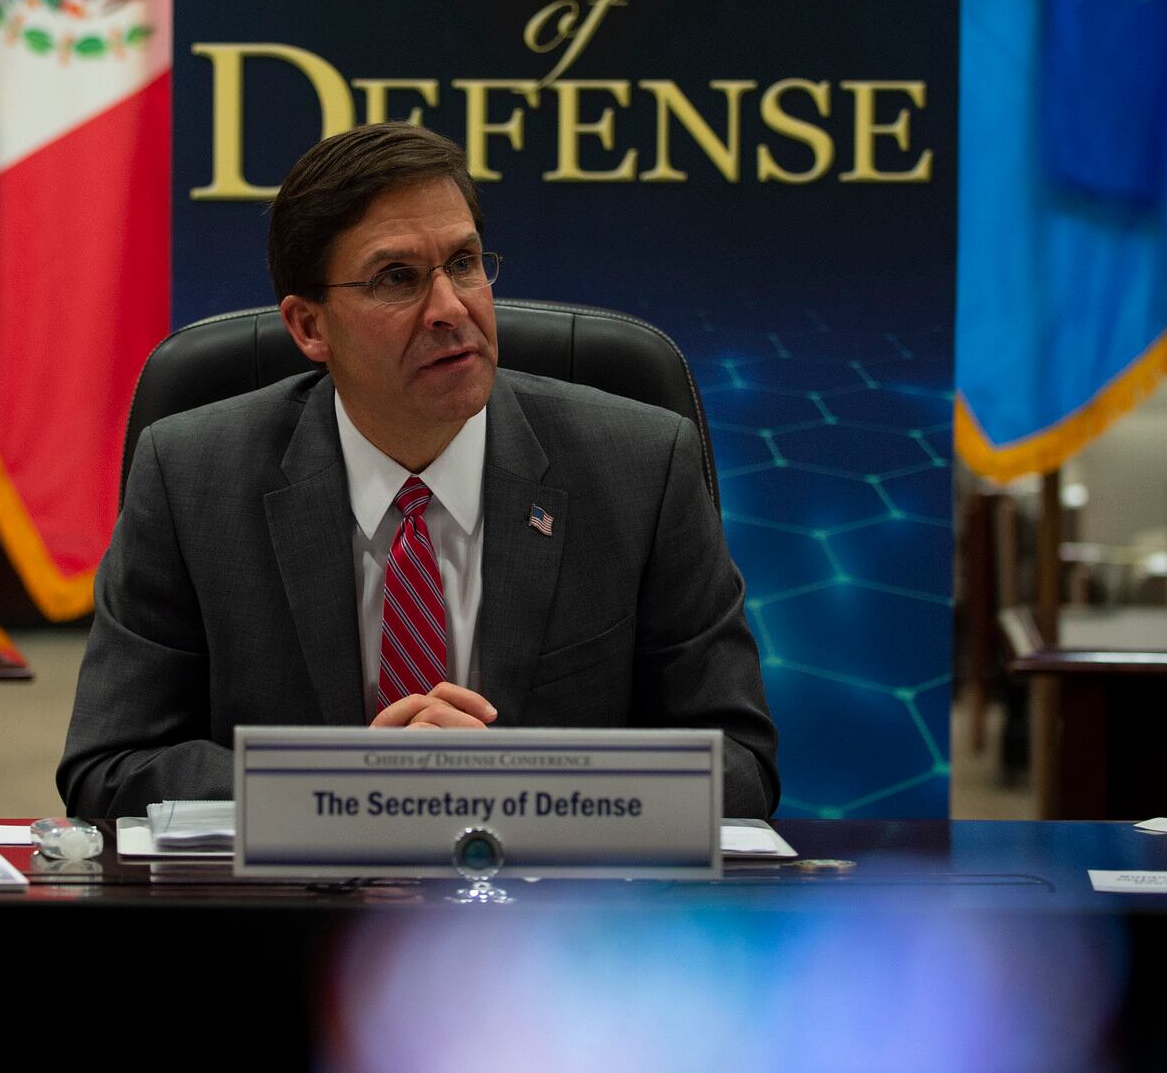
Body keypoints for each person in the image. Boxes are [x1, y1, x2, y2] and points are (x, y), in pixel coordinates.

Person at [59, 124, 779, 817]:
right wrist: (349, 785)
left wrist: (516, 779)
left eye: (464, 264)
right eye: (396, 278)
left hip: (556, 922)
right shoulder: (190, 478)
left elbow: (739, 765)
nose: (450, 307)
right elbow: (110, 764)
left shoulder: (641, 466)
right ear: (309, 326)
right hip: (286, 920)